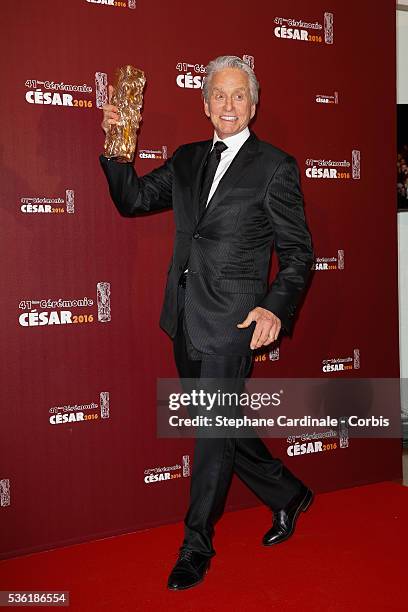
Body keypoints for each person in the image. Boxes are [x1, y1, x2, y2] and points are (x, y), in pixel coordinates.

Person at [100, 55, 314, 591]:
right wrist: (116, 143)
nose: (228, 104)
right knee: (223, 428)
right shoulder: (188, 158)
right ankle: (289, 494)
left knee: (212, 432)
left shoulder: (275, 166)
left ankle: (195, 546)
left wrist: (273, 307)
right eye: (218, 95)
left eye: (238, 94)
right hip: (184, 315)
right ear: (204, 104)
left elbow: (298, 253)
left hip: (235, 321)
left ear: (254, 103)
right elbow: (132, 201)